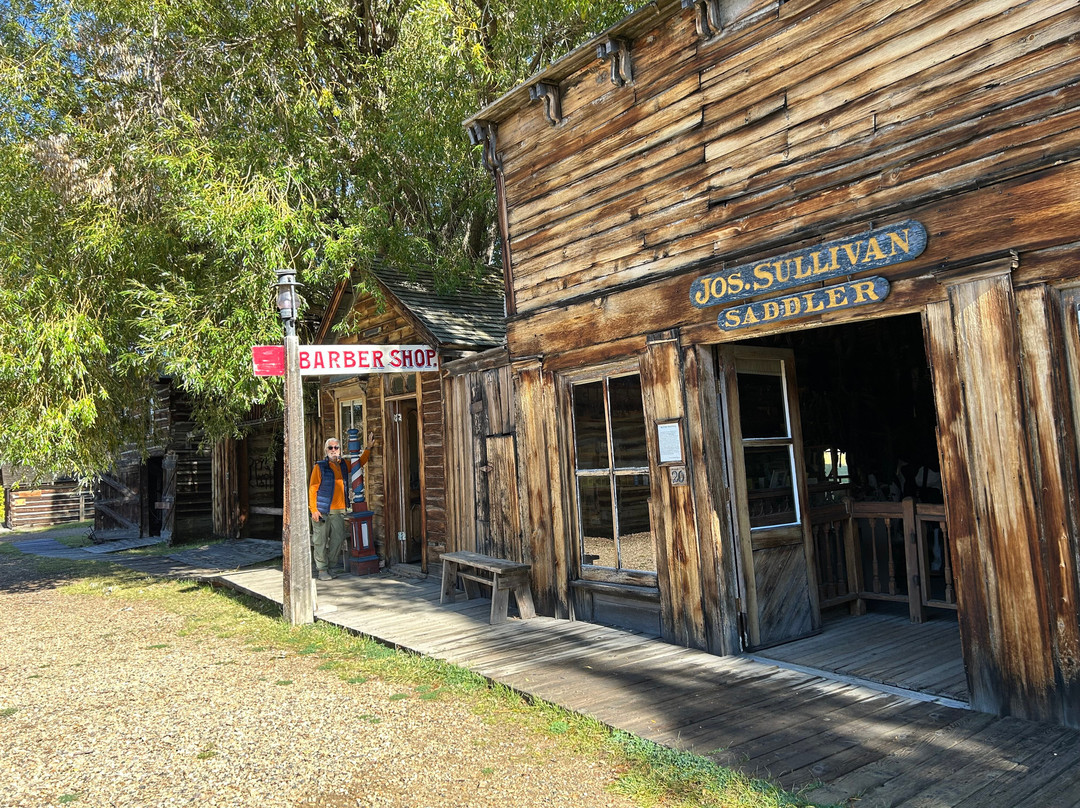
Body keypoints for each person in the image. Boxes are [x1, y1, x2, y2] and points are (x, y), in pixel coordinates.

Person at [308, 432, 374, 580]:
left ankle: (330, 567)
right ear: (326, 450)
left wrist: (368, 448)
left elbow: (359, 463)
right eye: (330, 448)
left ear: (339, 450)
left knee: (338, 540)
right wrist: (314, 510)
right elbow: (313, 488)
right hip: (322, 511)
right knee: (320, 541)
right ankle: (322, 570)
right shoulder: (320, 466)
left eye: (336, 447)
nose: (333, 450)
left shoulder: (343, 465)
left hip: (338, 511)